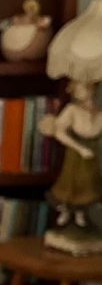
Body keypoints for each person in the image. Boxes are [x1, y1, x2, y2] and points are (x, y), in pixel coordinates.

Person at [41, 80, 102, 228]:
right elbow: (59, 132)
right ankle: (67, 212)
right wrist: (80, 149)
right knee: (69, 185)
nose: (80, 92)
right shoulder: (72, 110)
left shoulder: (98, 112)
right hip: (75, 156)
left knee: (88, 187)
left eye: (84, 89)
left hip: (94, 156)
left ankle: (82, 214)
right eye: (77, 90)